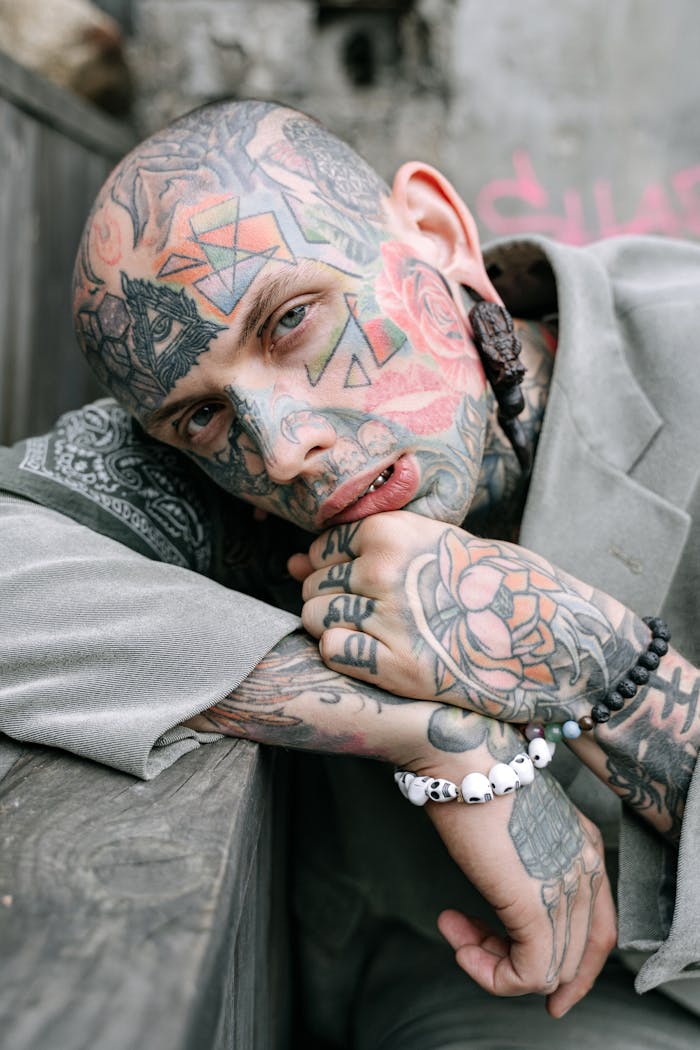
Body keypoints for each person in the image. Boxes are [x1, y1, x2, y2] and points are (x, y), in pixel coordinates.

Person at [1, 99, 699, 1049]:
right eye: (203, 415)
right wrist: (435, 737)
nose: (283, 449)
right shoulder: (212, 470)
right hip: (512, 994)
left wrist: (593, 661)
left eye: (292, 320)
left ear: (438, 233)